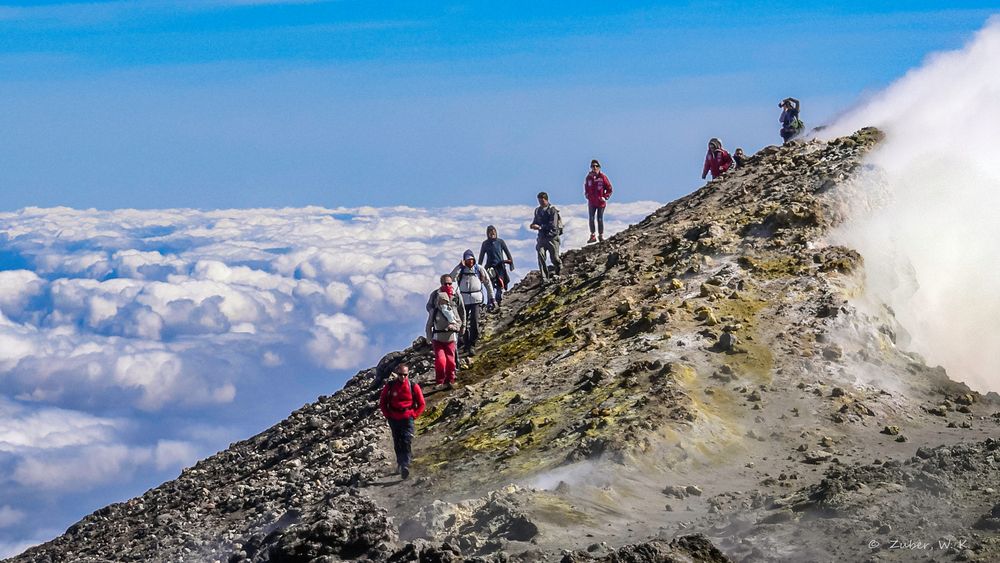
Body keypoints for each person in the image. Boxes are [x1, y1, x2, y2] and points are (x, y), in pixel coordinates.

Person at [378, 363, 425, 479]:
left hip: (407, 417)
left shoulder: (413, 386)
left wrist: (414, 415)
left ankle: (405, 464)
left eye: (405, 375)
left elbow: (422, 403)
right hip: (394, 418)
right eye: (400, 374)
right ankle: (400, 462)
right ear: (396, 374)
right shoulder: (390, 386)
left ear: (408, 374)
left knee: (406, 439)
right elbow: (383, 402)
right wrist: (387, 415)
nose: (402, 377)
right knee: (397, 441)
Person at [450, 250, 493, 356]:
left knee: (475, 322)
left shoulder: (479, 269)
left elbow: (487, 282)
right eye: (468, 260)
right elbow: (451, 278)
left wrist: (491, 297)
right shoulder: (461, 270)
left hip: (476, 300)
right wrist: (459, 266)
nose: (470, 262)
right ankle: (467, 344)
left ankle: (472, 343)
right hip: (464, 300)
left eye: (472, 259)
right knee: (463, 323)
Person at [425, 274, 465, 381]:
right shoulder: (435, 296)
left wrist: (462, 327)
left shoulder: (456, 295)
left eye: (449, 283)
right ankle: (441, 379)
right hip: (438, 337)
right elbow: (428, 309)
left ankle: (451, 377)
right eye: (445, 283)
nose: (447, 285)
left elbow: (462, 312)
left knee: (451, 359)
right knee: (441, 360)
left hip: (452, 336)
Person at [478, 225, 514, 310]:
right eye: (490, 232)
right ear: (488, 234)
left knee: (500, 284)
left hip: (500, 267)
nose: (492, 234)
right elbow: (481, 257)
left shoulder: (500, 242)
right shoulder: (485, 244)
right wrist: (478, 269)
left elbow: (507, 252)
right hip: (490, 268)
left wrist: (511, 264)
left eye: (493, 232)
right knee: (490, 285)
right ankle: (490, 302)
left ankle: (499, 300)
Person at [530, 191, 562, 284]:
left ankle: (559, 268)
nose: (540, 203)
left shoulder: (552, 210)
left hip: (552, 237)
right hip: (542, 238)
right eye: (539, 201)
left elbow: (553, 225)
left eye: (542, 201)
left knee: (554, 258)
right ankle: (545, 278)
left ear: (546, 200)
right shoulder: (537, 211)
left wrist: (540, 227)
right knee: (541, 256)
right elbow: (535, 221)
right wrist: (533, 225)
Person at [584, 159, 613, 243]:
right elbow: (586, 187)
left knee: (599, 219)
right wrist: (587, 194)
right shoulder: (589, 178)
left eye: (596, 166)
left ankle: (601, 235)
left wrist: (605, 196)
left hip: (601, 202)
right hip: (592, 202)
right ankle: (592, 235)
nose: (595, 168)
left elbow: (609, 188)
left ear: (599, 167)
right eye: (593, 166)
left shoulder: (602, 177)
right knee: (591, 218)